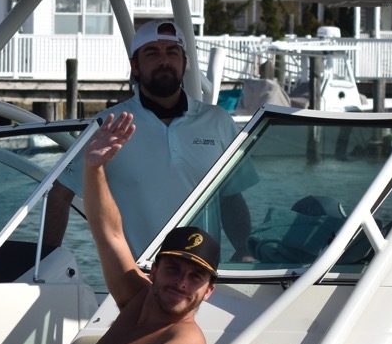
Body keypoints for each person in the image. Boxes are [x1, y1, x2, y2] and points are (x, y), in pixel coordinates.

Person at [34, 112, 216, 344]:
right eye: (173, 269)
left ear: (208, 291)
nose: (181, 283)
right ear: (154, 271)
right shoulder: (137, 298)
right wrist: (93, 167)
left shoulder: (187, 337)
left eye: (195, 277)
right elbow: (109, 234)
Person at [42, 18, 252, 259]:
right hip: (134, 276)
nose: (164, 61)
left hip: (200, 273)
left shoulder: (218, 122)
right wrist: (46, 262)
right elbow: (60, 194)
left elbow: (230, 196)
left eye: (172, 52)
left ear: (184, 62)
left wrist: (245, 250)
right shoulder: (107, 125)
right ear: (135, 66)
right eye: (152, 53)